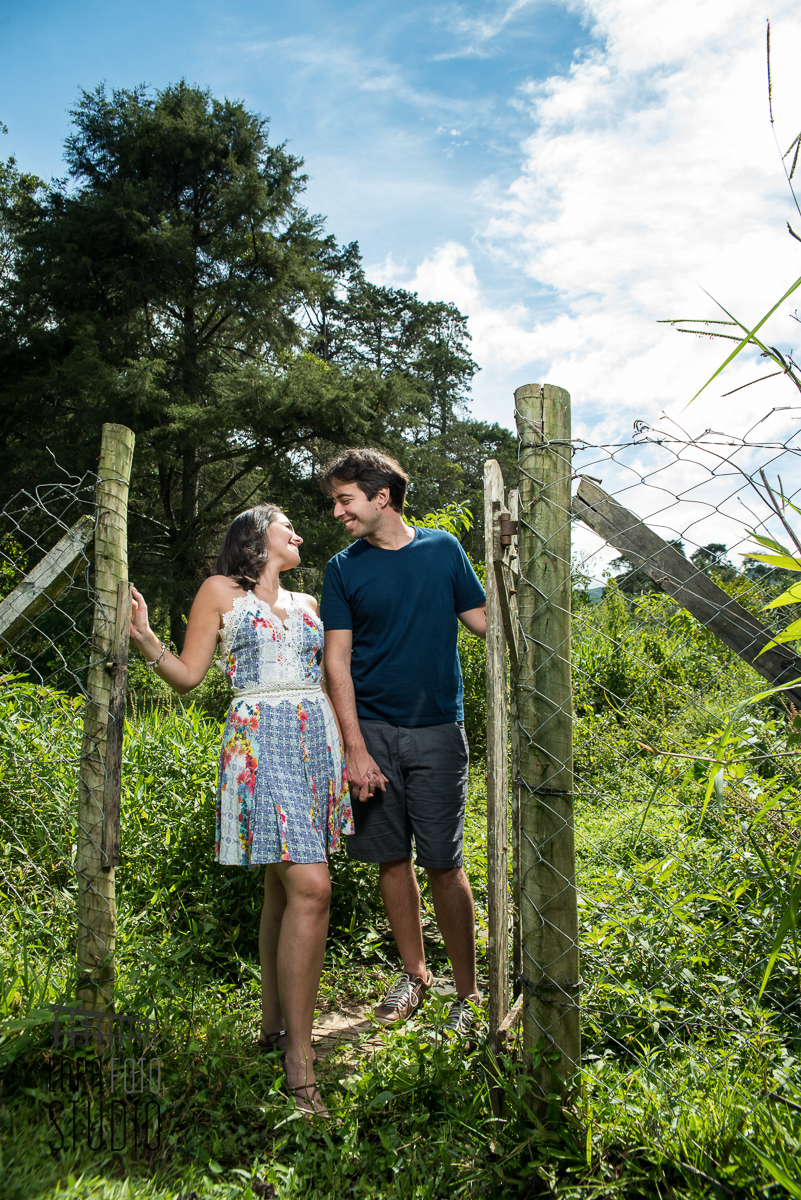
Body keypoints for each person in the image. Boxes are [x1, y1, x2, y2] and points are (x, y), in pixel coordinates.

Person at [128, 504, 352, 1117]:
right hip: (258, 741)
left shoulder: (308, 603)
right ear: (256, 535)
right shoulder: (221, 591)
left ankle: (272, 1025)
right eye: (288, 526)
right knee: (310, 887)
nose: (299, 534)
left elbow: (334, 674)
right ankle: (300, 1062)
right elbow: (189, 675)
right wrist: (148, 640)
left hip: (314, 741)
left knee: (282, 891)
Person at [319, 449, 487, 1036]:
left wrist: (523, 580)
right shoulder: (342, 568)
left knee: (444, 861)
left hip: (440, 728)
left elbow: (486, 622)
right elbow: (335, 662)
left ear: (380, 495)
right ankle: (415, 976)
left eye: (345, 499)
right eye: (335, 501)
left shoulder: (442, 550)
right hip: (375, 735)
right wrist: (354, 748)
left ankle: (467, 994)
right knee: (392, 860)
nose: (338, 511)